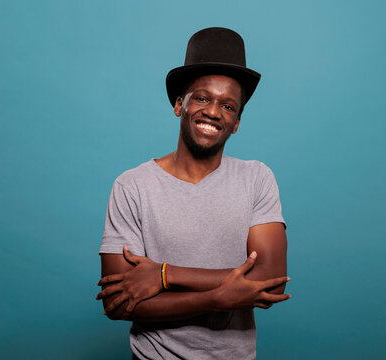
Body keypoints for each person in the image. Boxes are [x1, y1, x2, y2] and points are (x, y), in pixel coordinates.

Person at [96, 27, 291, 360]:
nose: (213, 112)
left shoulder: (257, 178)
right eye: (202, 98)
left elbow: (270, 281)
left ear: (237, 122)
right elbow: (118, 304)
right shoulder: (132, 186)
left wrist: (163, 274)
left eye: (228, 106)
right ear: (178, 105)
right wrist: (215, 299)